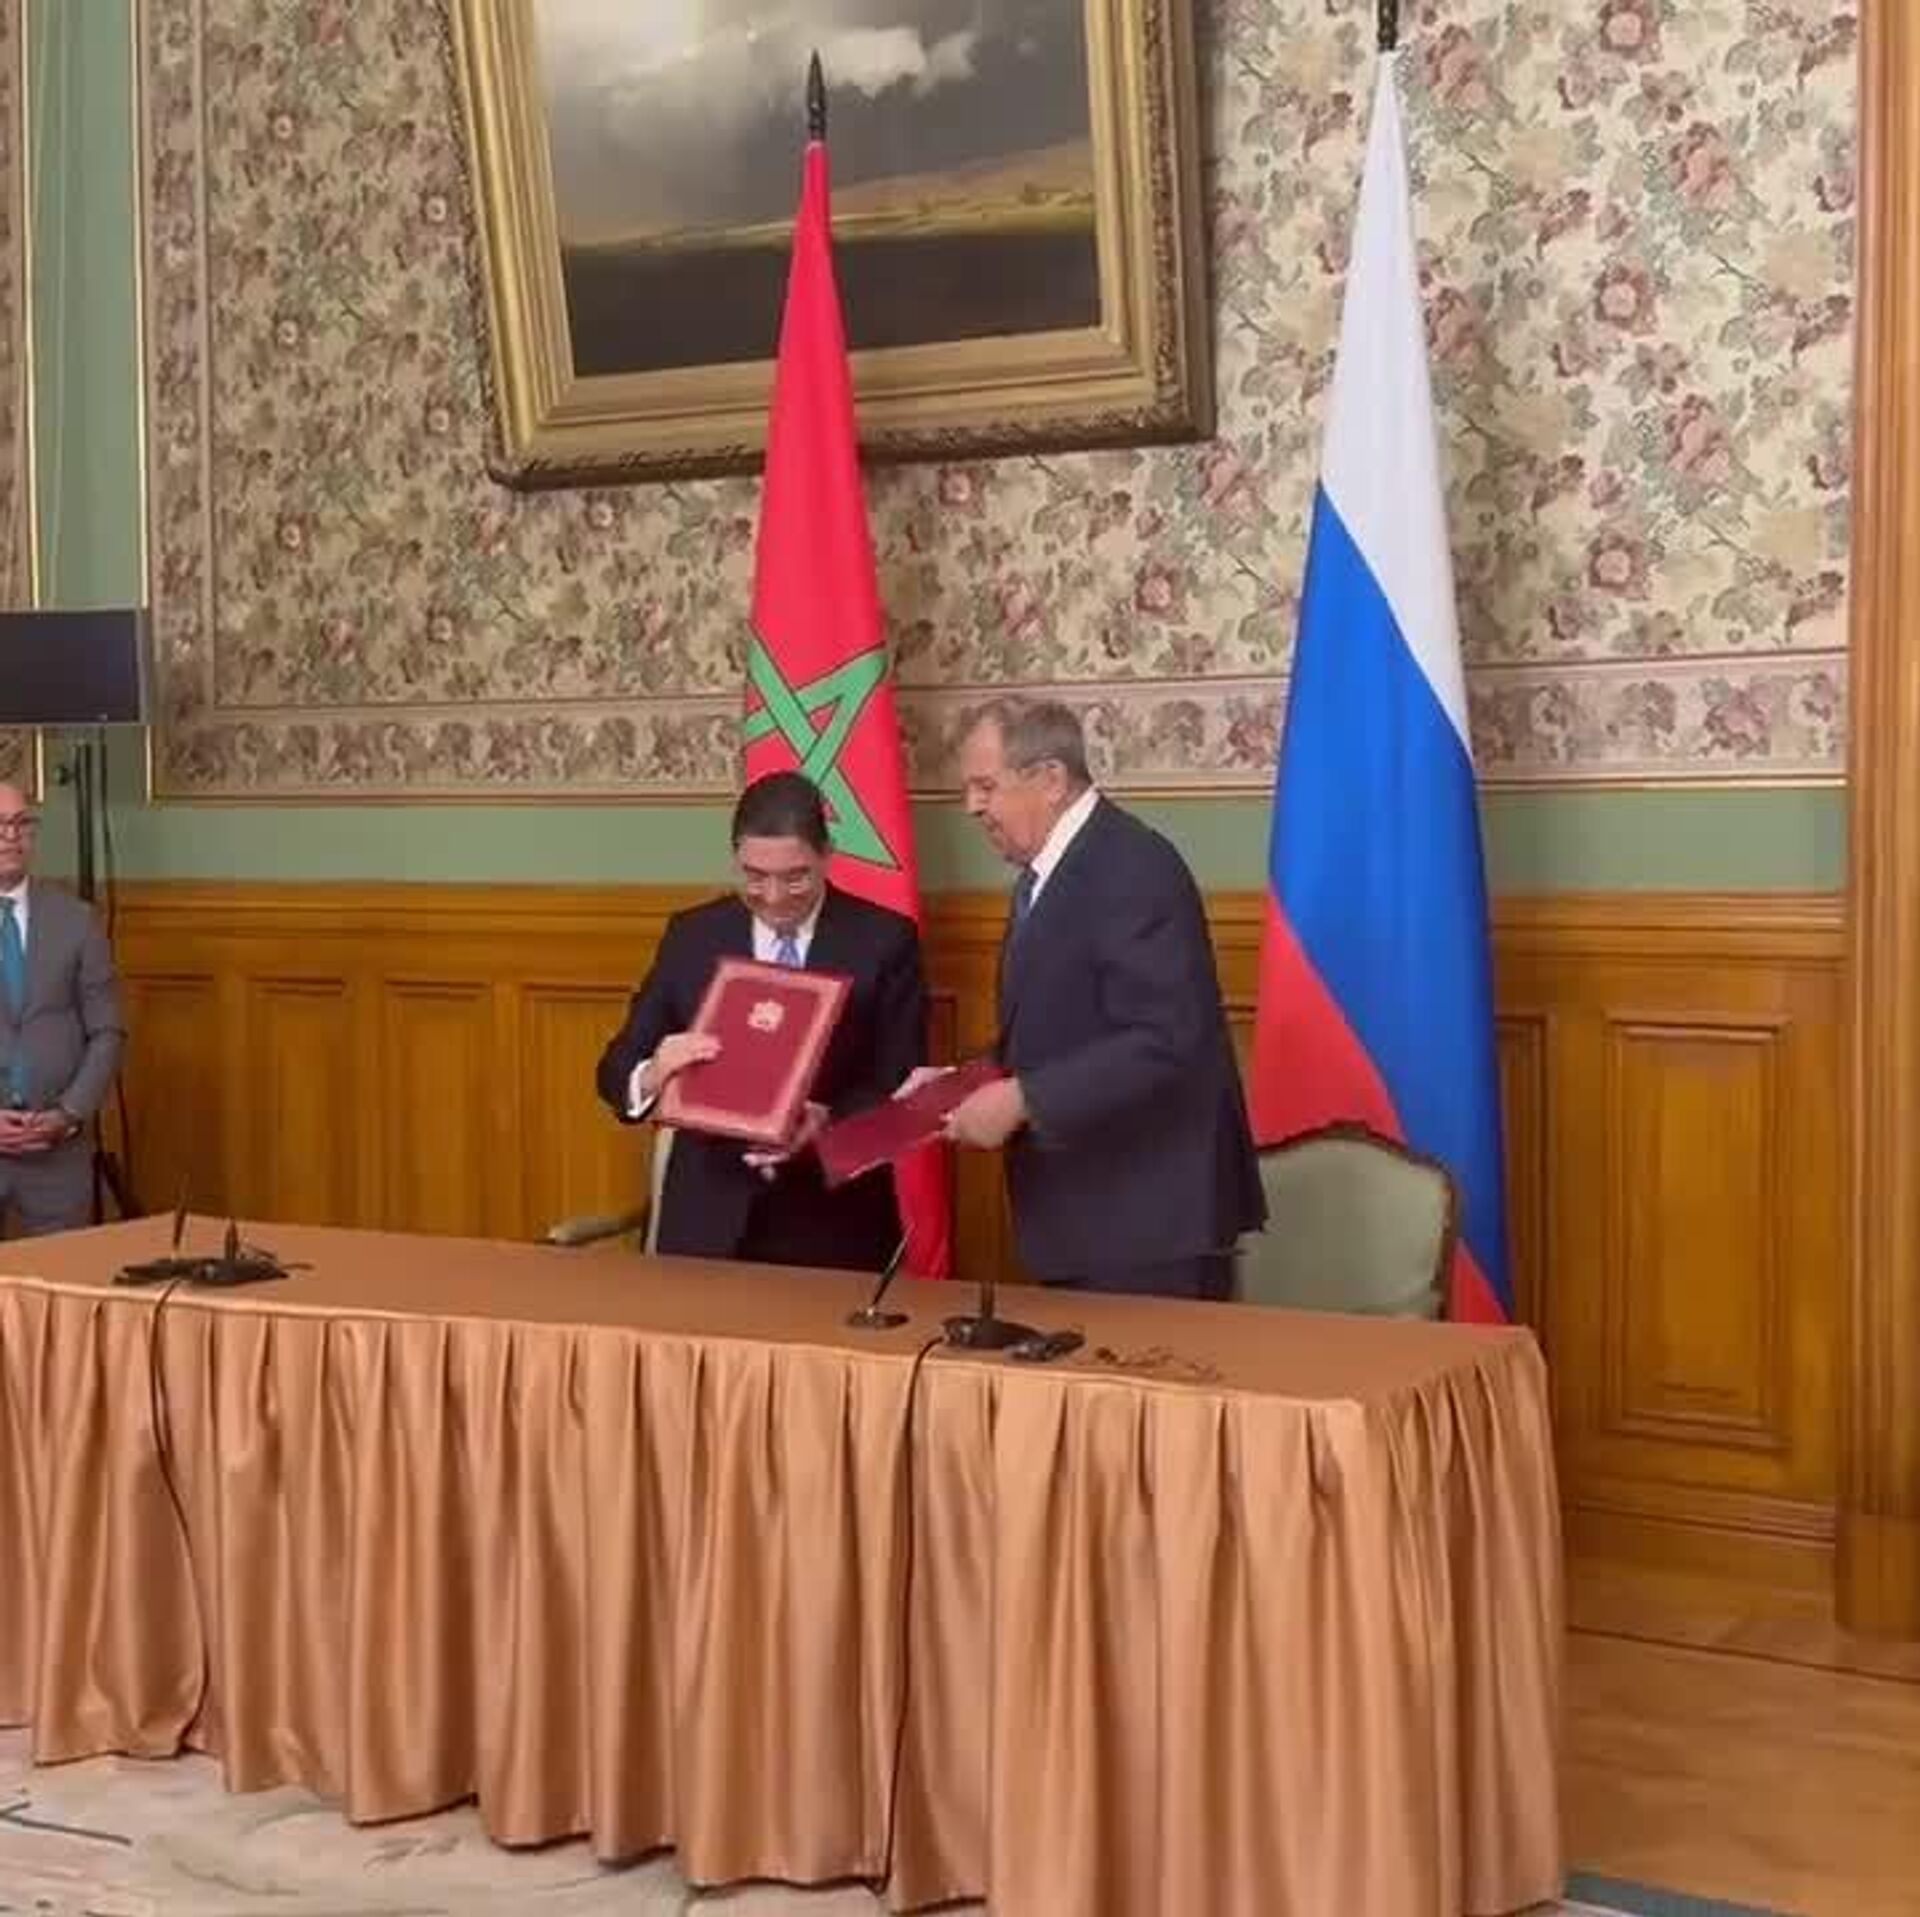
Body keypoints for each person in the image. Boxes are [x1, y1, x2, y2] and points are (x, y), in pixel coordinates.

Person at [930, 700, 1265, 1299]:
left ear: (1051, 779)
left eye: (986, 786)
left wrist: (1024, 1098)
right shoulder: (1049, 874)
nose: (972, 806)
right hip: (1088, 1218)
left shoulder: (1132, 866)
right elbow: (1054, 1029)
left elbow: (1165, 1039)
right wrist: (952, 1088)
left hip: (1147, 1226)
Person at [595, 770, 927, 1271]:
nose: (773, 896)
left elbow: (900, 1085)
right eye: (754, 876)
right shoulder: (693, 936)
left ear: (827, 855)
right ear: (735, 859)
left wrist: (825, 1123)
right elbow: (616, 1069)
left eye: (795, 877)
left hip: (833, 1227)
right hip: (705, 1226)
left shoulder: (883, 940)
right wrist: (654, 1072)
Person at [0, 781, 125, 1237]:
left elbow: (107, 1031)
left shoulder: (76, 920)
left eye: (21, 824)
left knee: (61, 1277)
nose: (11, 837)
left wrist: (68, 1114)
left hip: (58, 1156)